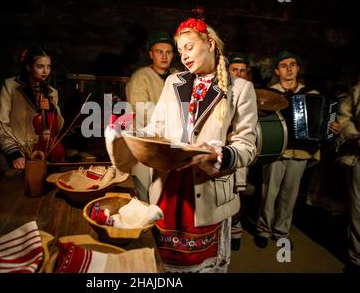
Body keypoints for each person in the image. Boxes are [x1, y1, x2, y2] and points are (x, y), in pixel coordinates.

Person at [106, 17, 258, 272]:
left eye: (188, 47)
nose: (183, 56)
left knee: (201, 265)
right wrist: (128, 132)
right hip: (169, 186)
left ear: (209, 43)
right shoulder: (174, 82)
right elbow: (156, 130)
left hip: (207, 188)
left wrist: (217, 153)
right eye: (180, 51)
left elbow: (247, 147)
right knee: (165, 263)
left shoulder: (240, 89)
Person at [254, 51, 319, 249]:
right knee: (269, 191)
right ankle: (263, 229)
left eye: (293, 64)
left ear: (298, 69)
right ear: (277, 70)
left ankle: (281, 230)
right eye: (284, 65)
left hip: (300, 150)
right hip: (276, 149)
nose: (289, 68)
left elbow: (320, 121)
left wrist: (330, 126)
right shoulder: (268, 93)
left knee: (290, 194)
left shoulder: (311, 94)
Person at [0, 46, 65, 170]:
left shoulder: (51, 92)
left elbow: (57, 127)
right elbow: (0, 124)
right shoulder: (10, 86)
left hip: (42, 154)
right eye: (40, 66)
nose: (45, 71)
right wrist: (13, 153)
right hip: (17, 152)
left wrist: (51, 108)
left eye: (48, 66)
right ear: (28, 67)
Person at [125, 31, 176, 201]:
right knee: (143, 187)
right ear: (151, 54)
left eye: (168, 52)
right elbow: (142, 110)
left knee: (164, 188)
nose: (164, 56)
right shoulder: (141, 77)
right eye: (159, 52)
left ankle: (160, 223)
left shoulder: (177, 77)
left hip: (168, 141)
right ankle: (143, 223)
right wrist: (175, 119)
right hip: (144, 140)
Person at [227, 52, 251, 251]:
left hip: (239, 151)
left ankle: (236, 229)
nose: (239, 74)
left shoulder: (247, 91)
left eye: (242, 71)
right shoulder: (223, 89)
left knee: (238, 191)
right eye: (235, 70)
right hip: (222, 151)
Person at [336, 75, 360, 274]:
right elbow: (345, 116)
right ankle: (357, 258)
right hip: (359, 157)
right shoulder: (358, 89)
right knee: (358, 211)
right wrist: (354, 135)